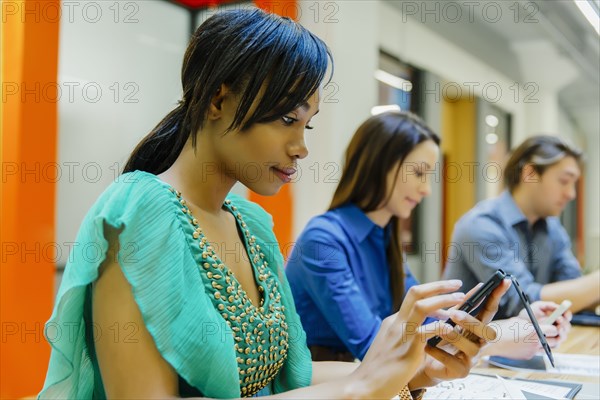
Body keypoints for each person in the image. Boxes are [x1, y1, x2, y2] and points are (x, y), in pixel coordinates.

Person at [38, 9, 508, 400]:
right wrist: (363, 385)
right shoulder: (140, 213)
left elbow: (287, 382)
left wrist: (413, 371)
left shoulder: (250, 225)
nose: (301, 146)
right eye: (288, 119)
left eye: (308, 124)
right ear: (219, 100)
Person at [286, 112, 571, 364]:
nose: (426, 190)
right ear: (378, 165)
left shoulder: (384, 237)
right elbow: (374, 349)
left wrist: (516, 323)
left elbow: (428, 320)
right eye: (419, 173)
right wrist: (495, 338)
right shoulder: (323, 241)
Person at [443, 135, 600, 319]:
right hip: (464, 345)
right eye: (564, 181)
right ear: (530, 174)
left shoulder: (552, 228)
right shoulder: (481, 225)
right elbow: (522, 302)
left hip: (526, 343)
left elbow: (574, 288)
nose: (571, 194)